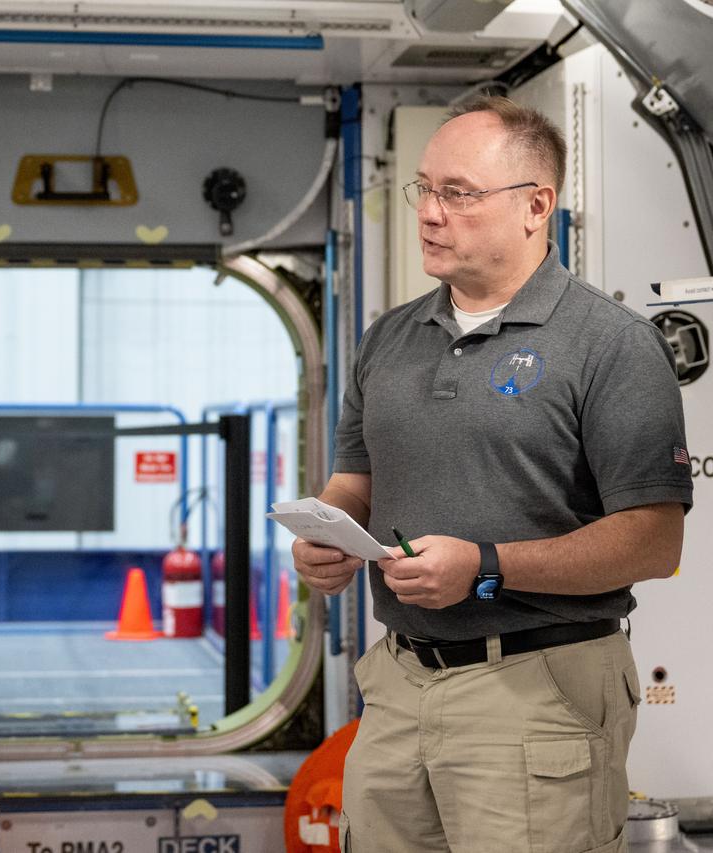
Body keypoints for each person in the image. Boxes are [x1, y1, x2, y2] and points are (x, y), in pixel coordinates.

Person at [293, 95, 692, 853]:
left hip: (537, 688)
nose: (430, 213)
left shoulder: (611, 345)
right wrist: (327, 536)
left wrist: (485, 566)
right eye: (424, 189)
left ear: (536, 205)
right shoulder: (390, 336)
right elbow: (356, 480)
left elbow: (653, 542)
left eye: (460, 193)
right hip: (399, 684)